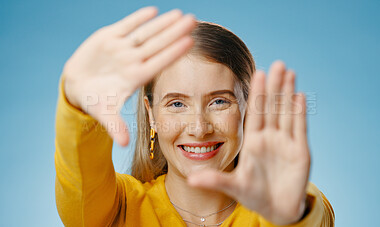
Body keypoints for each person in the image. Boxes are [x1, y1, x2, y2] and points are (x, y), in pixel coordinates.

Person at [55, 6, 335, 226]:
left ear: (247, 109)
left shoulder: (291, 206)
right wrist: (78, 106)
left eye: (219, 101)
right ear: (151, 114)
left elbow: (312, 218)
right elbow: (80, 184)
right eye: (177, 104)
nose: (199, 128)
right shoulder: (117, 209)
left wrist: (293, 215)